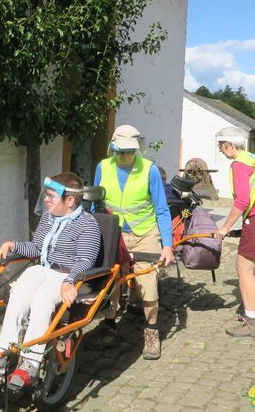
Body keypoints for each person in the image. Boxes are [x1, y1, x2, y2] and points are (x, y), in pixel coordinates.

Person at [0, 172, 100, 390]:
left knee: (43, 297)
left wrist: (69, 280)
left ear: (70, 201)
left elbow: (86, 259)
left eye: (50, 196)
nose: (46, 200)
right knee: (22, 286)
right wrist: (13, 245)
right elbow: (37, 248)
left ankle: (30, 363)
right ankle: (2, 352)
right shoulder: (49, 218)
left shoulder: (88, 224)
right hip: (47, 271)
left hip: (73, 277)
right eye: (45, 196)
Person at [87, 125, 173, 360]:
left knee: (147, 281)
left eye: (129, 151)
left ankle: (152, 332)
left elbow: (162, 210)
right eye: (120, 151)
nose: (125, 156)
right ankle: (109, 326)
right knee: (111, 280)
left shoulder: (149, 170)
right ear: (113, 147)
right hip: (115, 233)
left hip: (145, 233)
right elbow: (96, 204)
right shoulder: (103, 167)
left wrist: (167, 245)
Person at [214, 128, 255, 337]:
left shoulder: (239, 164)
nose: (221, 151)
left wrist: (225, 227)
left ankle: (251, 322)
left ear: (230, 145)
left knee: (244, 268)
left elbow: (242, 200)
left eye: (221, 146)